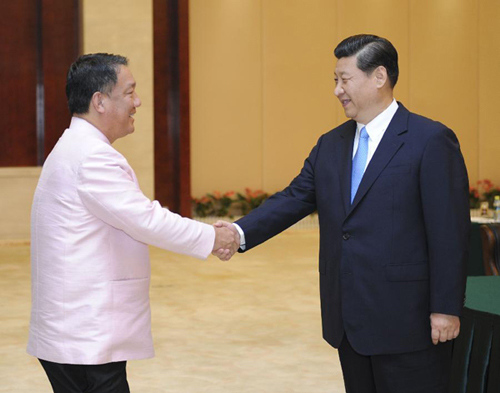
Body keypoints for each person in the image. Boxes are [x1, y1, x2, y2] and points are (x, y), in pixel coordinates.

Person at [215, 34, 470, 392]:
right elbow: (293, 199)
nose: (337, 90)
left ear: (379, 77)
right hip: (349, 320)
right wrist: (237, 233)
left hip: (408, 322)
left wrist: (446, 308)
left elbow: (449, 233)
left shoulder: (430, 140)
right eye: (335, 80)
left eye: (344, 79)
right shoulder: (331, 144)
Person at [27, 53, 238, 393]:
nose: (138, 102)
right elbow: (145, 219)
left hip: (75, 332)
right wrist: (213, 238)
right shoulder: (92, 156)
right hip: (85, 337)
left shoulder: (74, 146)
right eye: (129, 92)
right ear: (99, 101)